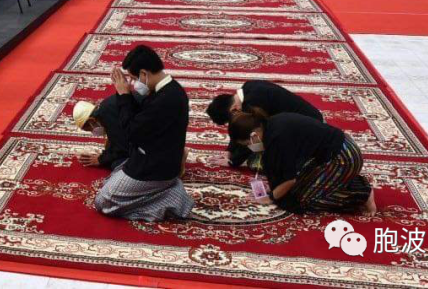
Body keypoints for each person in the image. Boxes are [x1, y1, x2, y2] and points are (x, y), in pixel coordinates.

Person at [93, 45, 194, 221]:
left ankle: (171, 200)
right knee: (112, 177)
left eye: (133, 78)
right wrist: (125, 96)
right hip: (156, 159)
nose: (132, 83)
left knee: (103, 202)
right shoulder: (169, 89)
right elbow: (141, 119)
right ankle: (168, 188)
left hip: (154, 169)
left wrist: (124, 95)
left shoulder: (165, 100)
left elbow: (131, 133)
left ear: (144, 74)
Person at [228, 112, 375, 215]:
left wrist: (270, 197)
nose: (249, 147)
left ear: (254, 135)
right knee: (298, 188)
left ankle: (361, 193)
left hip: (344, 158)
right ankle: (345, 180)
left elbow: (289, 179)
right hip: (331, 153)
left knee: (306, 201)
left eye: (247, 143)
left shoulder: (277, 138)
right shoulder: (271, 125)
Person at [206, 80, 323, 169]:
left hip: (307, 129)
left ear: (234, 110)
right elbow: (239, 130)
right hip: (310, 117)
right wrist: (229, 151)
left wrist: (233, 161)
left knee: (259, 162)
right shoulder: (247, 88)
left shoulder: (252, 104)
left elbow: (251, 138)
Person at [73, 98, 133, 171]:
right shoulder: (106, 109)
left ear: (91, 120)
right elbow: (116, 139)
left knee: (116, 164)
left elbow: (123, 148)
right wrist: (104, 156)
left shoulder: (108, 117)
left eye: (89, 129)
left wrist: (101, 160)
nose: (92, 132)